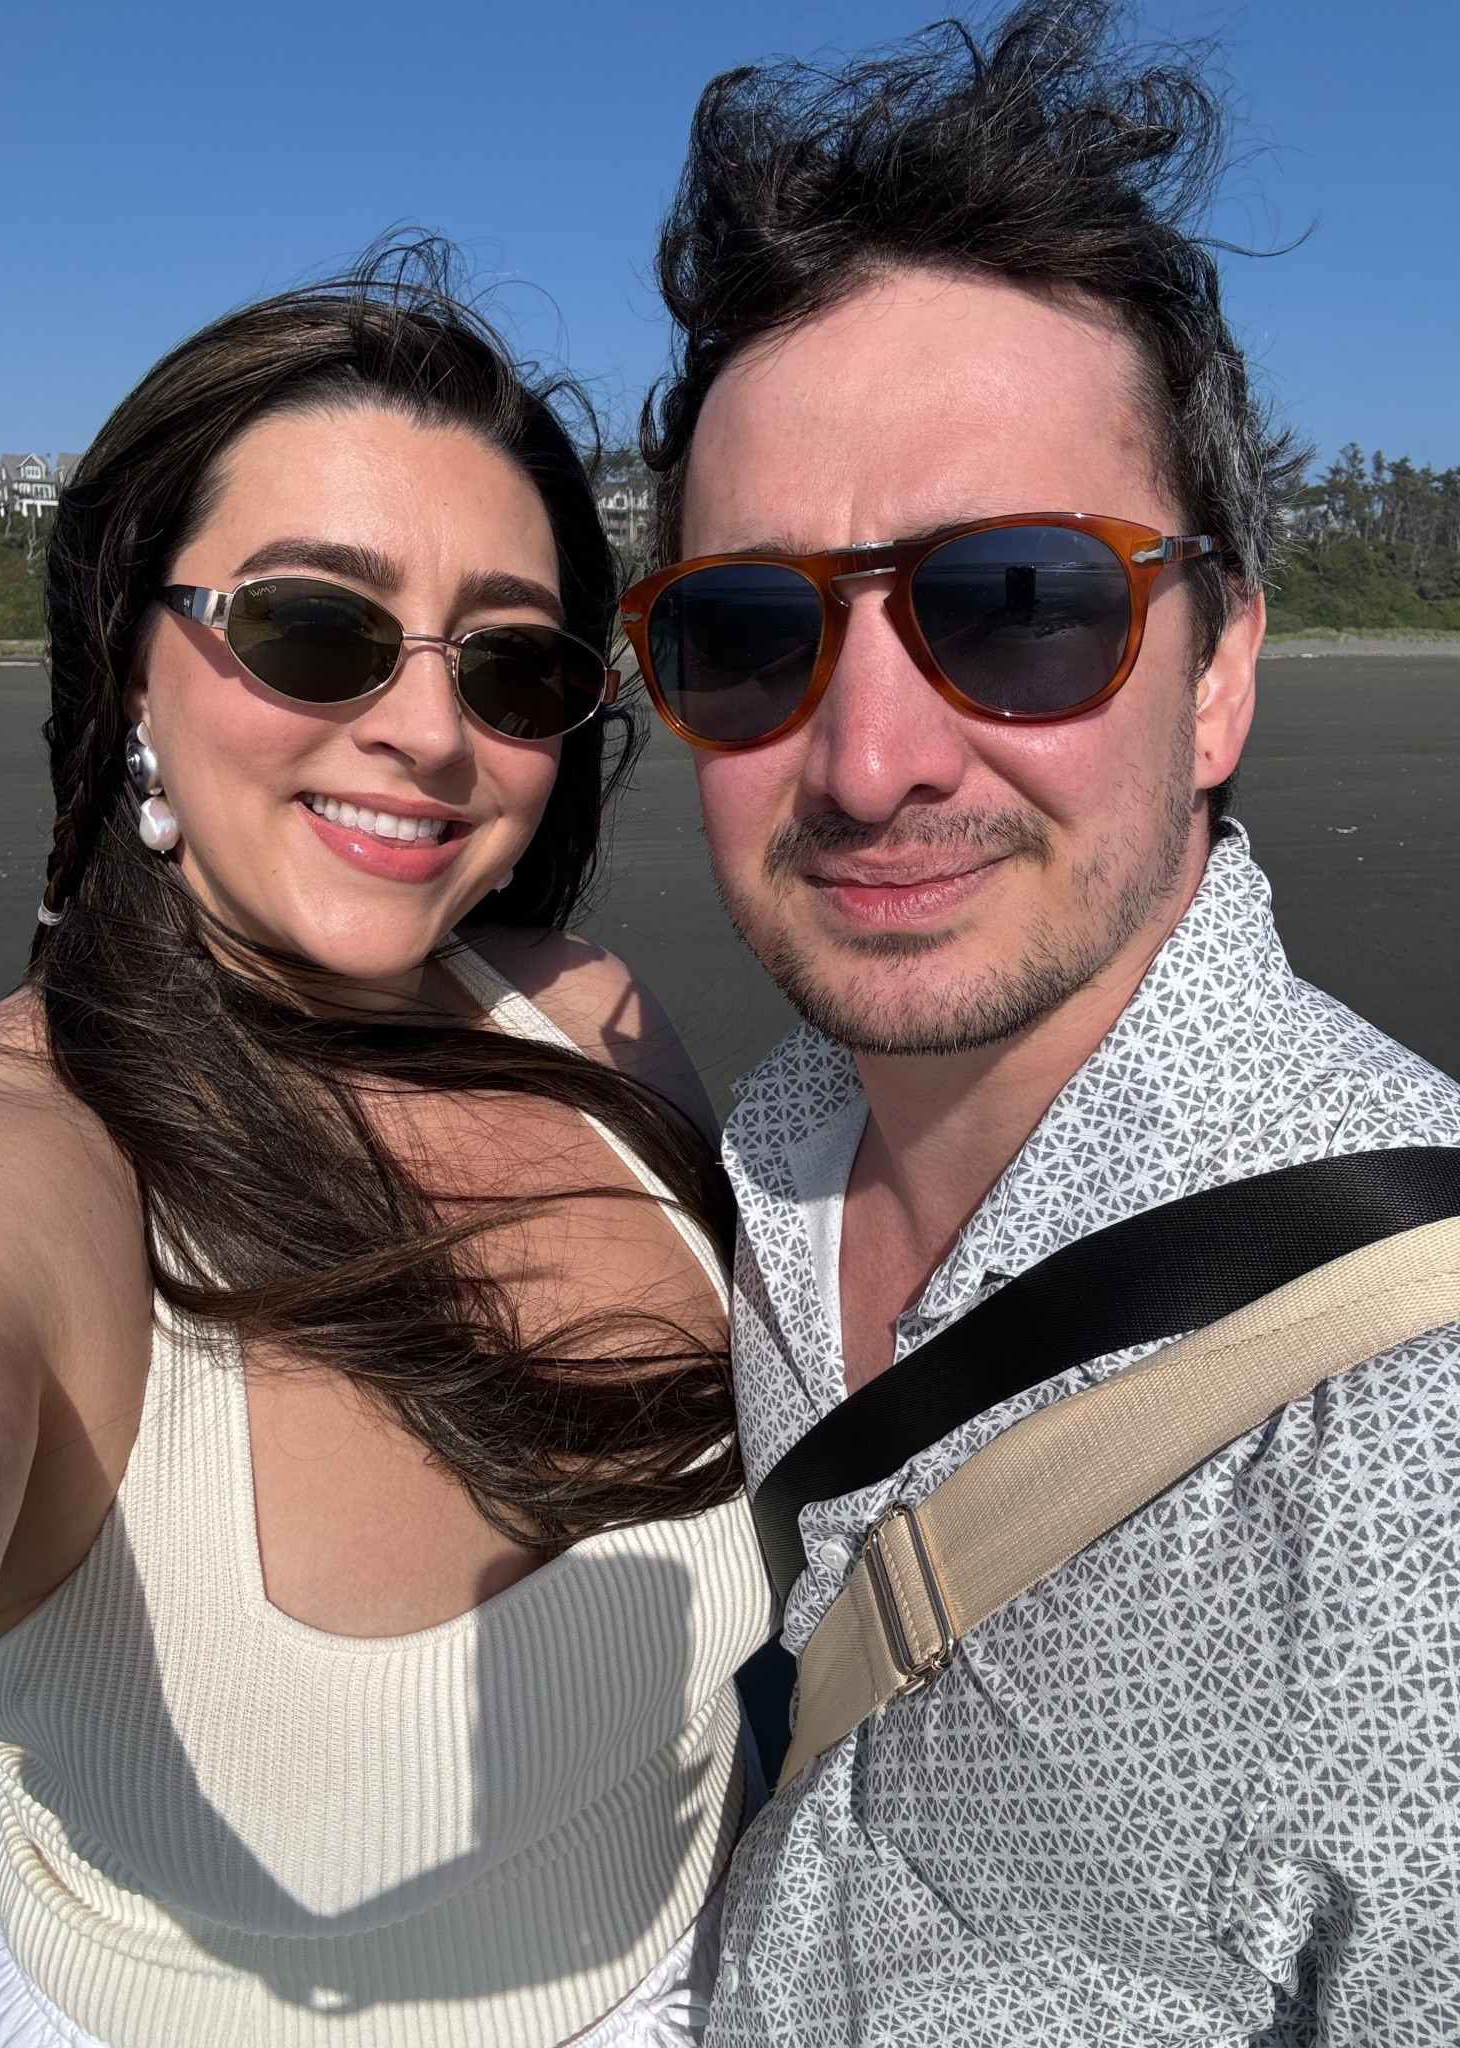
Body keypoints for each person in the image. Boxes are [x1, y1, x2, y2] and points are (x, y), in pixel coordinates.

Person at [622, 7, 1460, 2043]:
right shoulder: (771, 1142)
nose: (872, 758)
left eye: (1015, 602)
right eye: (750, 630)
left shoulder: (1411, 1466)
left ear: (1223, 669)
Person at [0, 244, 773, 2048]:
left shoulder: (594, 1023)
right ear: (129, 663)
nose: (425, 727)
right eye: (317, 627)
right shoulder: (11, 1167)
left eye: (516, 669)